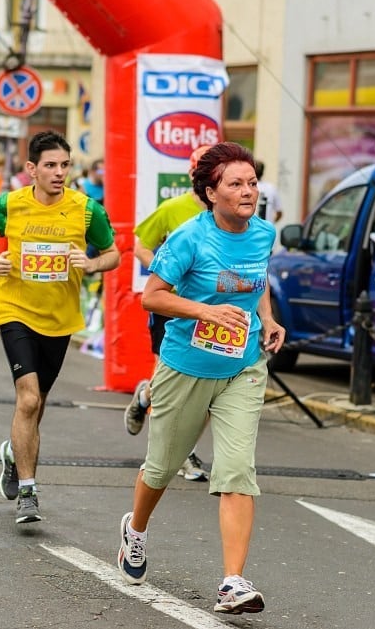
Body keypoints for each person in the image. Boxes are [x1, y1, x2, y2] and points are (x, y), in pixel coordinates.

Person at [116, 142, 284, 616]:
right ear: (212, 193)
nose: (248, 191)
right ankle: (136, 530)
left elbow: (258, 278)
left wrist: (266, 320)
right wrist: (205, 310)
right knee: (162, 468)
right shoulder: (190, 237)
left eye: (251, 182)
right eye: (235, 184)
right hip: (186, 365)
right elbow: (153, 296)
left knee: (236, 471)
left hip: (243, 365)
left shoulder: (263, 233)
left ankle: (232, 582)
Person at [0, 131, 120, 524]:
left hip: (60, 320)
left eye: (65, 165)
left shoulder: (86, 209)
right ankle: (28, 492)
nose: (59, 173)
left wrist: (91, 264)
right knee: (27, 399)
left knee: (36, 407)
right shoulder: (11, 203)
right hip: (14, 308)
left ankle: (13, 453)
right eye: (51, 166)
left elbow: (113, 255)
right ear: (31, 170)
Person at [124, 145, 214, 482]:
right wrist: (165, 272)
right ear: (195, 177)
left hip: (212, 311)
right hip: (172, 306)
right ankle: (147, 394)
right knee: (168, 383)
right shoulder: (173, 208)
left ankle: (186, 452)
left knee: (208, 384)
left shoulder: (234, 215)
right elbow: (140, 245)